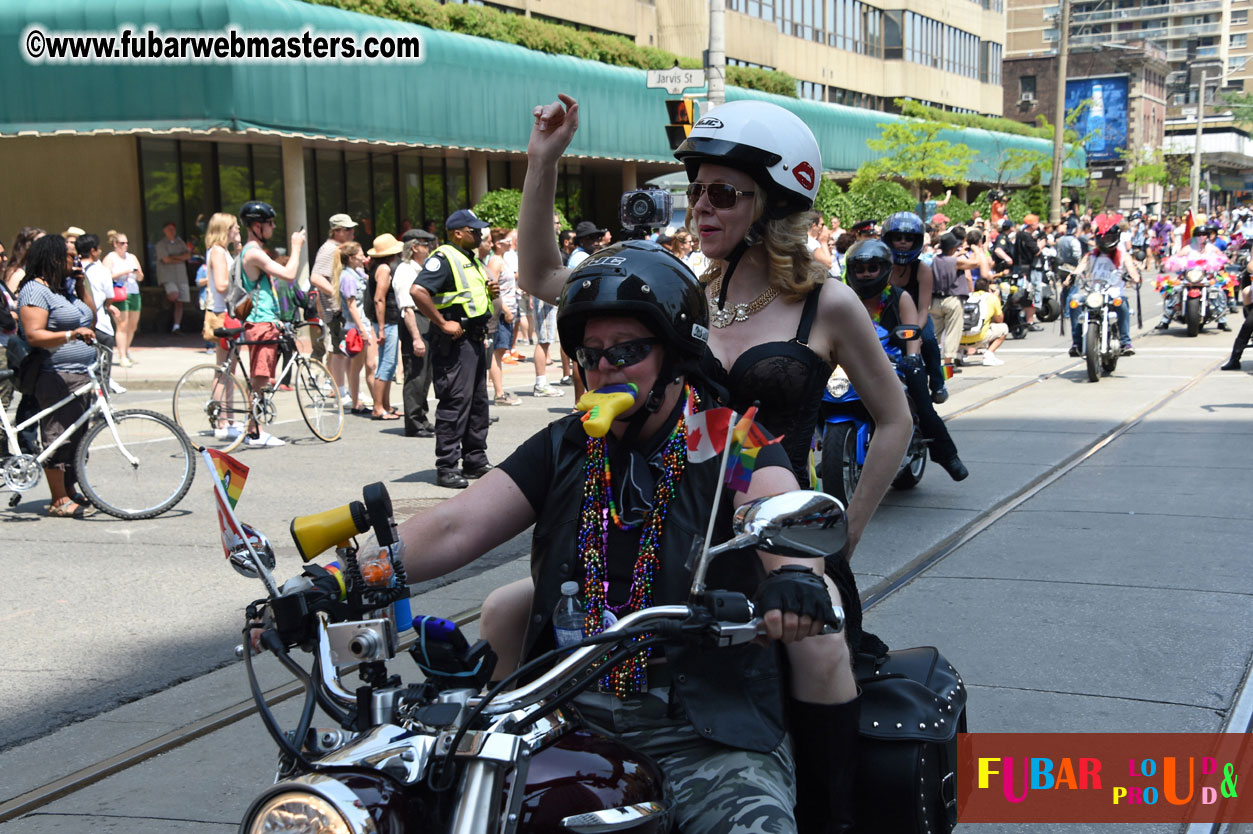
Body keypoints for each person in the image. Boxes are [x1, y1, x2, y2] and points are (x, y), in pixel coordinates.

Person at [517, 94, 912, 833]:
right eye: (694, 189)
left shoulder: (823, 303)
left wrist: (841, 535)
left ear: (771, 205)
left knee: (821, 651)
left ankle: (828, 819)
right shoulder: (683, 290)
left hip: (774, 541)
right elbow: (543, 275)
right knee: (515, 607)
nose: (699, 206)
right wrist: (543, 161)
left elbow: (893, 420)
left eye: (722, 193)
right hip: (673, 527)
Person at [397, 243, 838, 834]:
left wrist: (791, 577)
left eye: (627, 351)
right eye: (592, 354)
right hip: (568, 720)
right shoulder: (569, 444)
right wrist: (354, 573)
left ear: (677, 355)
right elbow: (456, 524)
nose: (605, 368)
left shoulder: (725, 437)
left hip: (705, 729)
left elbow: (771, 499)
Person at [844, 239, 967, 480]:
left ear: (884, 269)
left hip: (897, 360)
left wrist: (912, 356)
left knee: (922, 402)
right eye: (860, 269)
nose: (866, 274)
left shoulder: (899, 297)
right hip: (851, 360)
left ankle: (947, 455)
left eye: (872, 268)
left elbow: (912, 329)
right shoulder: (845, 297)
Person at [410, 209, 496, 489]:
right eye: (474, 230)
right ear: (458, 232)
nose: (480, 235)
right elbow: (418, 291)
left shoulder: (471, 259)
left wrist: (489, 292)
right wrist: (441, 322)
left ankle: (474, 459)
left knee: (478, 404)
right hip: (455, 341)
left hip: (473, 339)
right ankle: (447, 466)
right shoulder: (444, 258)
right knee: (455, 403)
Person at [17, 235, 99, 517]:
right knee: (58, 435)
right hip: (54, 374)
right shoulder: (34, 291)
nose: (76, 260)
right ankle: (58, 499)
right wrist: (70, 334)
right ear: (52, 257)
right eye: (70, 256)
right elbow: (34, 334)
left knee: (77, 437)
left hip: (81, 374)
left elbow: (91, 319)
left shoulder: (64, 290)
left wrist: (79, 283)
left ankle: (70, 488)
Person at [237, 201, 306, 448]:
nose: (273, 227)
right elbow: (288, 274)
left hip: (264, 319)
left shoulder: (253, 251)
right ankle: (254, 431)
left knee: (261, 377)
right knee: (259, 377)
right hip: (260, 320)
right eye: (270, 223)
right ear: (257, 226)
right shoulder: (253, 252)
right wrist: (296, 247)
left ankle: (253, 427)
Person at [883, 212, 947, 403]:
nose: (903, 242)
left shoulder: (923, 270)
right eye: (898, 238)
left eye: (908, 239)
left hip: (916, 321)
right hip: (887, 318)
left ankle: (937, 384)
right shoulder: (882, 266)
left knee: (928, 341)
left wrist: (915, 333)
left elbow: (923, 309)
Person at [1073, 213, 1140, 356]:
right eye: (1103, 237)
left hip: (1113, 294)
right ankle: (1076, 343)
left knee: (1122, 304)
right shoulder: (1091, 255)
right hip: (1094, 294)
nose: (1106, 240)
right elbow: (1079, 269)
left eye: (1109, 237)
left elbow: (1133, 272)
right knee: (1075, 302)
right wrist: (1070, 278)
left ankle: (1125, 342)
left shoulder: (1123, 255)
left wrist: (1133, 277)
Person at [393, 229, 437, 436]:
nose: (428, 248)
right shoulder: (404, 270)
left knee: (426, 374)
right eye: (425, 244)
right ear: (414, 247)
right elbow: (407, 307)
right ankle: (413, 422)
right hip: (414, 321)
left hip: (425, 319)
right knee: (416, 374)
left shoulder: (419, 269)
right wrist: (416, 337)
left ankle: (421, 416)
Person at [309, 214, 358, 402]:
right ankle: (340, 391)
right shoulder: (329, 249)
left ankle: (346, 391)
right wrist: (338, 294)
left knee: (345, 351)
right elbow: (316, 277)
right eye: (348, 229)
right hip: (336, 310)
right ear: (336, 231)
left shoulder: (336, 249)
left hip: (339, 309)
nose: (352, 232)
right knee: (339, 352)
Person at [76, 233, 125, 395]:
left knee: (81, 373)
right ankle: (101, 411)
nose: (100, 251)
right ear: (92, 250)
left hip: (78, 327)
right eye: (98, 248)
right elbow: (109, 296)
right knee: (102, 372)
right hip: (100, 326)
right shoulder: (101, 271)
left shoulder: (72, 269)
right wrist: (108, 306)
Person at [365, 234, 404, 420]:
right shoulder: (383, 269)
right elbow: (379, 298)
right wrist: (380, 328)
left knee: (389, 363)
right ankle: (378, 407)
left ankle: (386, 405)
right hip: (387, 321)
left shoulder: (377, 267)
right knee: (387, 364)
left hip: (387, 320)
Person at [486, 228, 522, 406]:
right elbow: (492, 289)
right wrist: (506, 311)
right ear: (498, 243)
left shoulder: (502, 260)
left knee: (500, 351)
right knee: (497, 352)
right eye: (507, 241)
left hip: (508, 312)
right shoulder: (495, 261)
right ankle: (499, 394)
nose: (510, 243)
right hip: (500, 314)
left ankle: (499, 389)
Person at [103, 230, 143, 367]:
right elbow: (105, 276)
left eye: (127, 243)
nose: (125, 245)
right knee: (122, 325)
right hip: (119, 293)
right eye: (122, 243)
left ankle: (126, 351)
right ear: (115, 244)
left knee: (133, 326)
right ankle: (121, 355)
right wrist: (125, 272)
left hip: (134, 292)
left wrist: (137, 273)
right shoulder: (110, 258)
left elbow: (141, 276)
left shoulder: (131, 257)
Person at [961, 276, 1009, 365]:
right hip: (979, 338)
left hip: (959, 339)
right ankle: (989, 355)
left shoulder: (966, 296)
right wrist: (997, 298)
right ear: (988, 288)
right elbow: (1000, 319)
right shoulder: (991, 298)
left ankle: (958, 355)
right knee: (1004, 328)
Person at [154, 221, 191, 333]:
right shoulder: (161, 244)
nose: (172, 231)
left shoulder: (180, 242)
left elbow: (188, 256)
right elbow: (166, 259)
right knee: (174, 295)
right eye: (169, 229)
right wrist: (180, 257)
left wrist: (173, 257)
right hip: (168, 276)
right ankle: (165, 306)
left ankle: (176, 326)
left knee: (180, 302)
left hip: (181, 276)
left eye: (173, 229)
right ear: (164, 231)